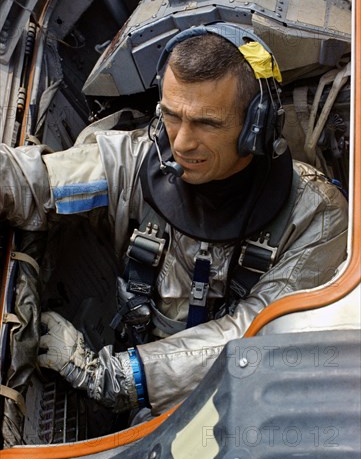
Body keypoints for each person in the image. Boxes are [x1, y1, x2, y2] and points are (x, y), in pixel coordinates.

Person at [0, 23, 348, 416]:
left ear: (257, 126)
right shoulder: (133, 161)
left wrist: (109, 376)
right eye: (171, 116)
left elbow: (254, 336)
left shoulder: (317, 216)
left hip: (236, 408)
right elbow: (34, 182)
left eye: (206, 123)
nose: (181, 143)